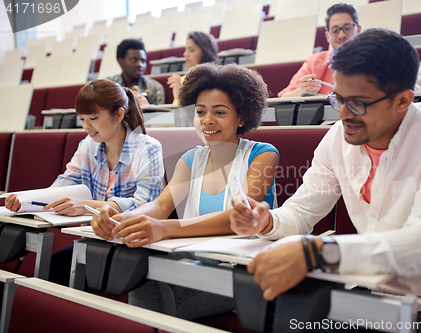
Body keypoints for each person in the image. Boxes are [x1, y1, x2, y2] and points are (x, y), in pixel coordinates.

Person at [231, 29, 421, 333]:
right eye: (338, 98)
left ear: (403, 100)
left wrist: (318, 253)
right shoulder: (338, 136)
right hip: (364, 297)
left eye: (358, 103)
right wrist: (267, 221)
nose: (345, 114)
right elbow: (301, 212)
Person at [91, 63, 279, 320]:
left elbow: (239, 218)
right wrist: (118, 218)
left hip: (243, 272)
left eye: (220, 112)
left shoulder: (263, 154)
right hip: (195, 264)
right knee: (141, 274)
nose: (207, 120)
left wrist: (167, 228)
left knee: (148, 294)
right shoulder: (191, 159)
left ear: (242, 116)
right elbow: (160, 206)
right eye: (200, 112)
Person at [6, 79, 165, 284]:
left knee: (56, 274)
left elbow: (145, 205)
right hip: (97, 240)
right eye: (81, 119)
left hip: (135, 245)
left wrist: (86, 207)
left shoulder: (148, 148)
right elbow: (67, 181)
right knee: (48, 272)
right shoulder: (89, 144)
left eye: (93, 118)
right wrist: (27, 200)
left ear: (118, 114)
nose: (86, 126)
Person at [278, 3, 361, 98]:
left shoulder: (373, 60)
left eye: (347, 28)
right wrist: (301, 91)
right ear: (327, 37)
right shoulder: (315, 62)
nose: (341, 35)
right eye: (335, 31)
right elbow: (283, 97)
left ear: (358, 30)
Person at [108, 39, 165, 106]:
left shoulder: (155, 88)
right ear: (120, 62)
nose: (139, 65)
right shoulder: (109, 87)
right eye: (133, 60)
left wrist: (147, 106)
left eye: (143, 61)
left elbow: (161, 115)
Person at [168, 31, 219, 104]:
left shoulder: (215, 80)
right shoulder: (183, 80)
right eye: (185, 49)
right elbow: (175, 112)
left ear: (205, 52)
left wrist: (180, 96)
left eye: (192, 50)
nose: (185, 54)